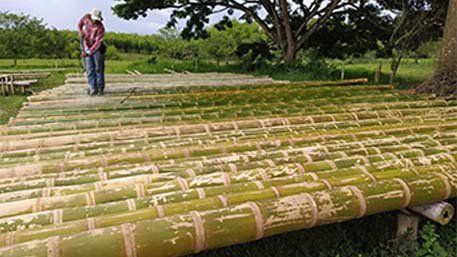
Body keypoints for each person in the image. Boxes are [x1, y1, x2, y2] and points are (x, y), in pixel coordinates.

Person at [78, 8, 106, 96]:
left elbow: (98, 43)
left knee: (98, 68)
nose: (94, 21)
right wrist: (80, 31)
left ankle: (100, 87)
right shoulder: (86, 18)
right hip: (86, 46)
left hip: (97, 49)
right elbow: (79, 24)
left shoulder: (101, 28)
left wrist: (88, 52)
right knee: (89, 69)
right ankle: (92, 87)